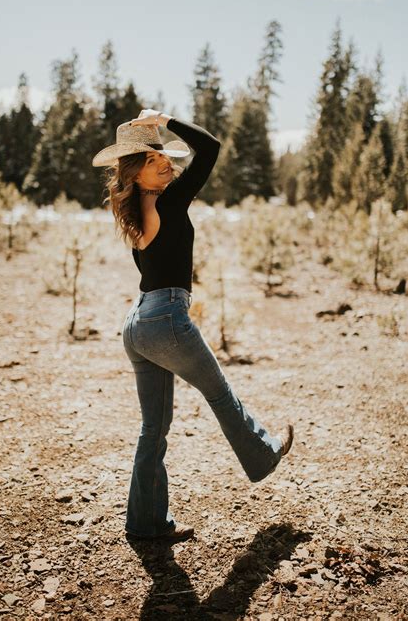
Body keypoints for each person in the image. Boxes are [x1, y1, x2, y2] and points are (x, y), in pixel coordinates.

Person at [92, 108, 294, 543]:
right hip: (164, 318)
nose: (165, 162)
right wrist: (167, 120)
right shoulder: (168, 200)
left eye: (164, 156)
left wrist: (161, 138)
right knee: (220, 394)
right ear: (134, 171)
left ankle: (145, 524)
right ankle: (263, 454)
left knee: (153, 428)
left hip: (138, 324)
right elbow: (212, 148)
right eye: (152, 159)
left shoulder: (135, 207)